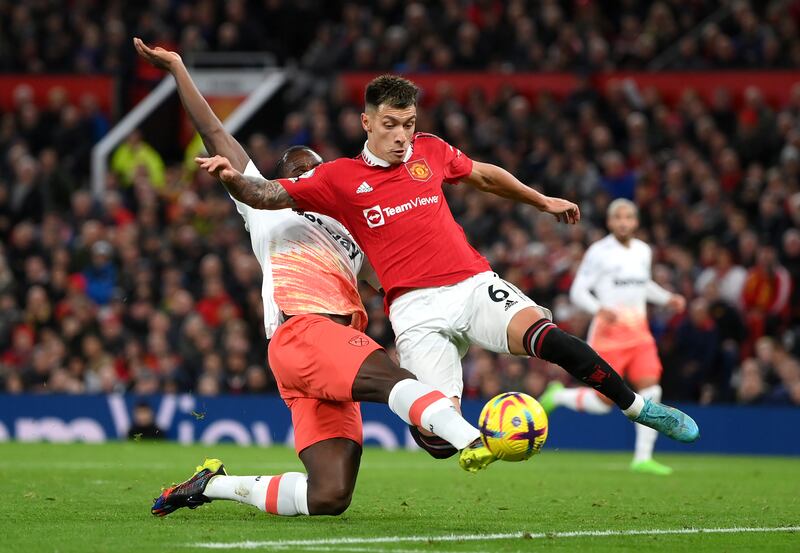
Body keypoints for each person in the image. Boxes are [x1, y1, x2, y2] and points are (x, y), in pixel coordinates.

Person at [194, 74, 700, 473]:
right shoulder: (337, 179)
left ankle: (638, 409)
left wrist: (541, 200)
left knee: (550, 338)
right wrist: (233, 178)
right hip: (413, 309)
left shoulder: (430, 152)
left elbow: (483, 175)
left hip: (471, 284)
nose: (401, 135)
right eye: (390, 124)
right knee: (436, 441)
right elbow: (265, 195)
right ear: (366, 122)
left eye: (408, 123)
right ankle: (464, 431)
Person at [135, 39, 483, 519]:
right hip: (303, 333)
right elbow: (216, 132)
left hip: (332, 354)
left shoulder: (352, 228)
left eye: (313, 167)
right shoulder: (265, 213)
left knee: (329, 495)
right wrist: (177, 70)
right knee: (393, 379)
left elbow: (409, 284)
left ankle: (210, 486)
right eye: (295, 169)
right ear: (282, 182)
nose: (306, 172)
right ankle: (475, 438)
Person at [539, 199, 686, 475]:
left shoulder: (644, 250)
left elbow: (644, 285)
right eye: (618, 217)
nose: (623, 222)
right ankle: (559, 397)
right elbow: (578, 291)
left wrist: (667, 298)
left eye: (628, 217)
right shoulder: (599, 252)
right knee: (603, 402)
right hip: (609, 336)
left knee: (651, 388)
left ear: (636, 221)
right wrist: (599, 309)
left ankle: (643, 457)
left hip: (639, 334)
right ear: (609, 222)